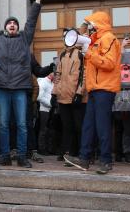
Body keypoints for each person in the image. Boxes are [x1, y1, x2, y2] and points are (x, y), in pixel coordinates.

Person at [0, 0, 43, 168]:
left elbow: (31, 21)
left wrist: (37, 0)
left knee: (22, 124)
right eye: (9, 23)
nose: (12, 25)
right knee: (3, 124)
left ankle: (22, 156)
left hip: (20, 88)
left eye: (15, 23)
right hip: (2, 88)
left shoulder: (24, 38)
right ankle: (5, 155)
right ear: (6, 27)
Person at [64, 11, 121, 174]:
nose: (89, 27)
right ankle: (84, 158)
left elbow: (109, 63)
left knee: (102, 126)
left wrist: (89, 54)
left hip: (105, 88)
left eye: (91, 24)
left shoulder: (109, 38)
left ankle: (105, 161)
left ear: (99, 24)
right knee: (89, 125)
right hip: (95, 88)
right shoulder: (96, 40)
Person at [52, 34, 87, 165]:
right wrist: (54, 93)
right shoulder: (62, 55)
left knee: (79, 126)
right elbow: (58, 75)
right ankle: (69, 153)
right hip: (63, 97)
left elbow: (84, 74)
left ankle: (82, 154)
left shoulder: (80, 54)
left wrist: (79, 93)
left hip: (76, 97)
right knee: (67, 126)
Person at [36, 73, 54, 155]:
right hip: (43, 109)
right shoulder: (43, 82)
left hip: (50, 110)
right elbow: (39, 97)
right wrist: (50, 104)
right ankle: (41, 148)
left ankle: (48, 148)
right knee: (43, 130)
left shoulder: (51, 83)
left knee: (49, 130)